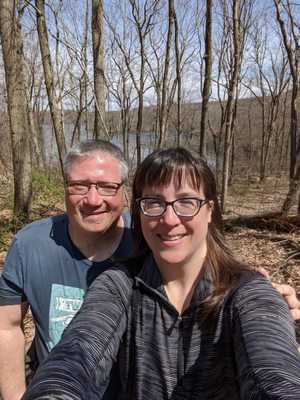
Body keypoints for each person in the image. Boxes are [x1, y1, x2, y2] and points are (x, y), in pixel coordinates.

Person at [22, 147, 300, 399]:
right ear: (139, 211)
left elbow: (274, 374)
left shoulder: (247, 292)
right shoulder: (119, 285)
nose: (169, 219)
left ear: (210, 210)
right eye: (154, 202)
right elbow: (78, 352)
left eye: (186, 202)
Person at [0, 140, 132, 400]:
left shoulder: (147, 244)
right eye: (79, 186)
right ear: (66, 188)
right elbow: (7, 326)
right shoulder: (30, 245)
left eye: (107, 187)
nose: (93, 200)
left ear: (123, 191)